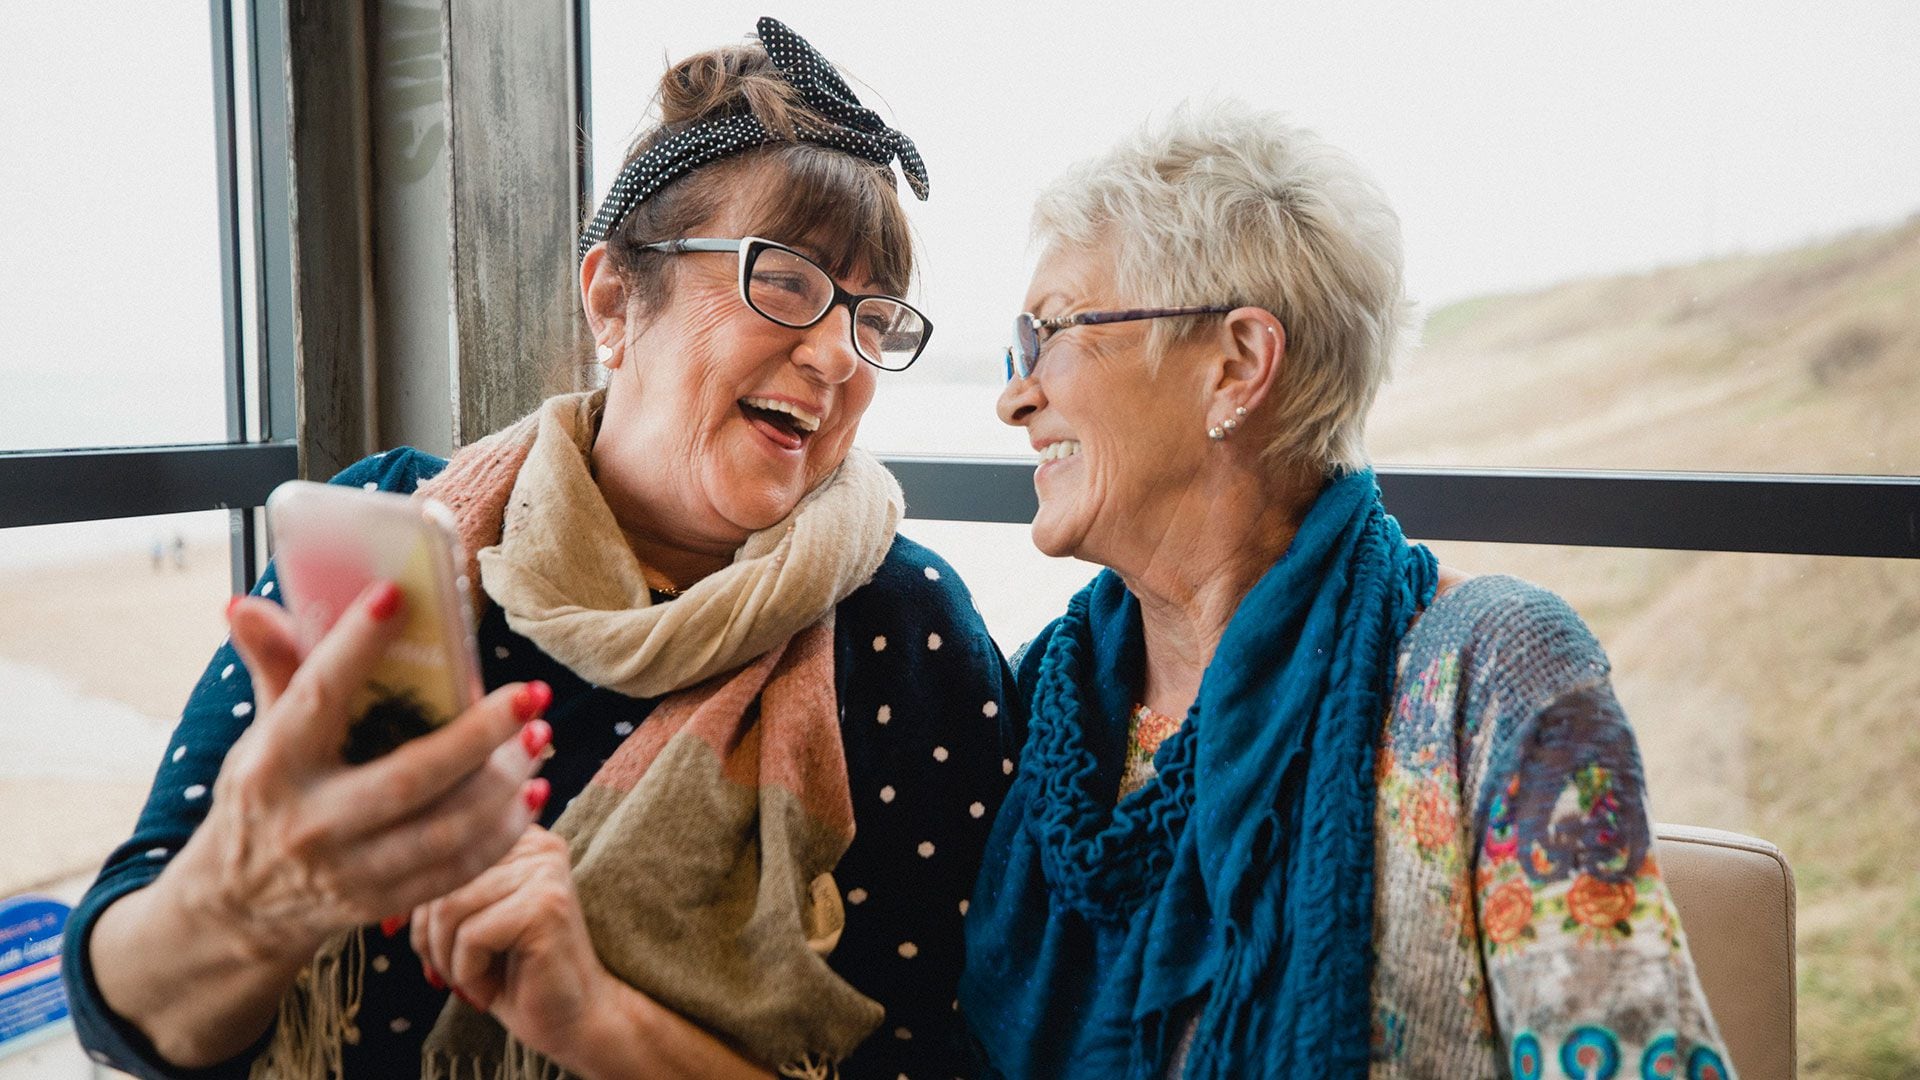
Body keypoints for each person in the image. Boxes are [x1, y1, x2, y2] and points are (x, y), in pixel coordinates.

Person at [65, 20, 1013, 1080]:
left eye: (872, 317)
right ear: (613, 300)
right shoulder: (401, 529)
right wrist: (251, 897)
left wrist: (599, 1024)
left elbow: (938, 1056)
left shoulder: (907, 630)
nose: (841, 352)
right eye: (783, 281)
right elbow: (123, 1007)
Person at [959, 101, 1734, 1079]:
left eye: (1053, 334)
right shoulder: (1039, 700)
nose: (1013, 394)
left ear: (1237, 365)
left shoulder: (1492, 681)